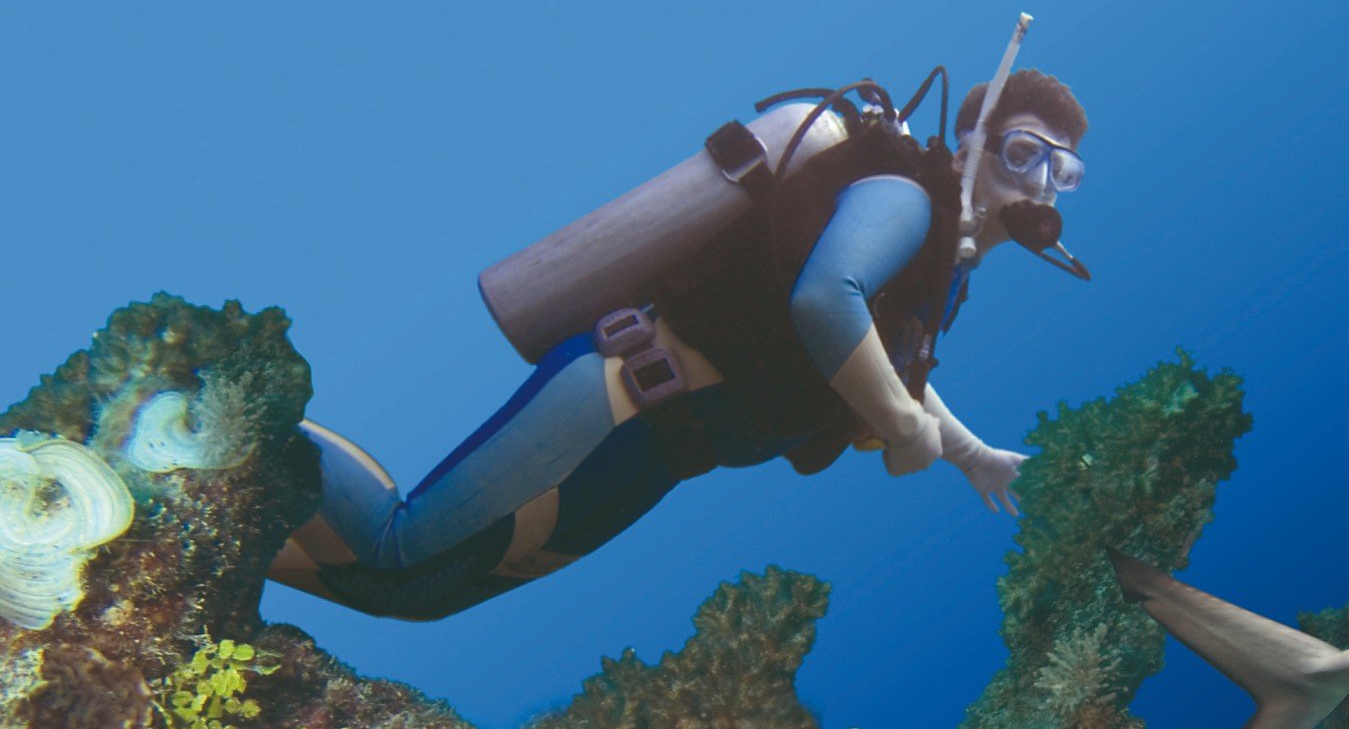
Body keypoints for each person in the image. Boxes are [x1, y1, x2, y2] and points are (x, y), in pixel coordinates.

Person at [267, 67, 1088, 620]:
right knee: (402, 543)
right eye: (1023, 154)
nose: (1038, 185)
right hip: (615, 402)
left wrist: (968, 450)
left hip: (663, 449)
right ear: (973, 145)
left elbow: (894, 363)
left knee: (427, 592)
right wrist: (908, 433)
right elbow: (827, 301)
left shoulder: (940, 261)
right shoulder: (908, 199)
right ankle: (242, 413)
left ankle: (234, 533)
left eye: (1062, 173)